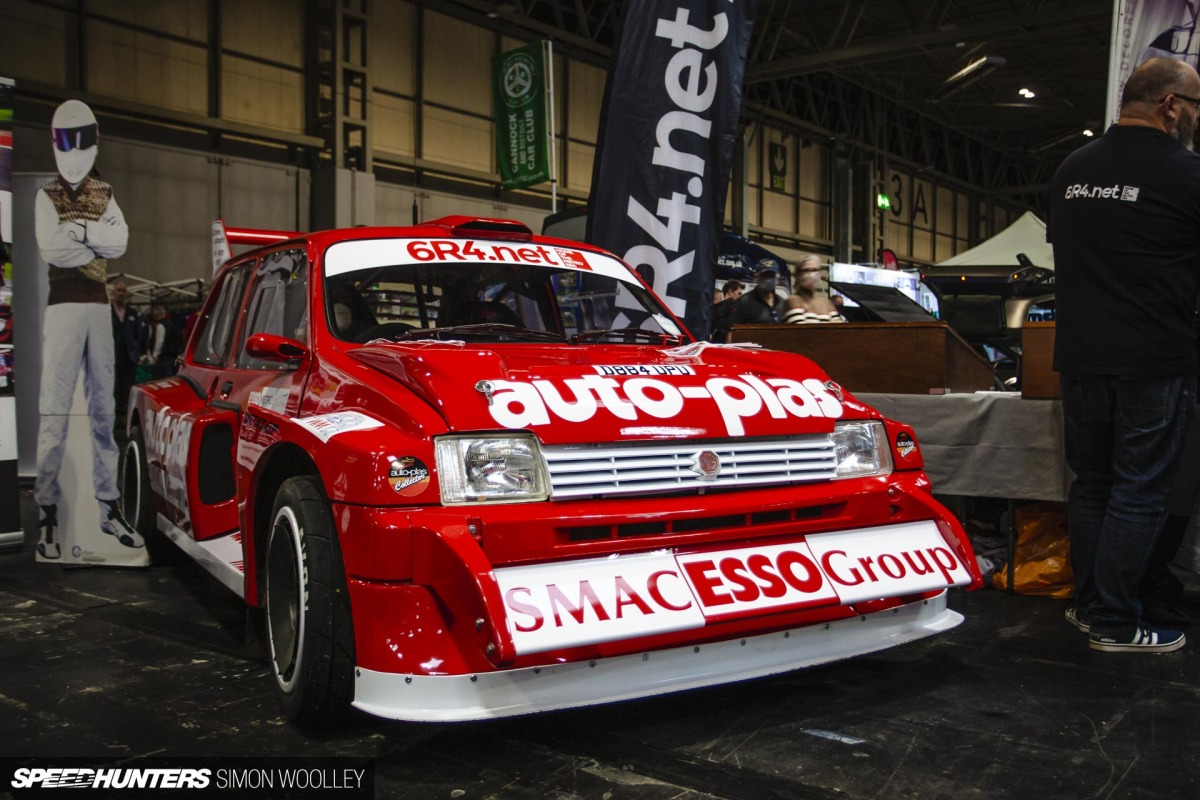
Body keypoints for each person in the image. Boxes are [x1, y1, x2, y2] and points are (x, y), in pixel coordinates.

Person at [1046, 57, 1200, 653]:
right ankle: (1114, 619)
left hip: (1079, 353)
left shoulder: (1071, 169)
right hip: (1152, 356)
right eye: (1195, 108)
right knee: (1140, 489)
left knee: (1093, 484)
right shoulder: (1188, 174)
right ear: (1171, 105)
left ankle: (1091, 609)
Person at [33, 99, 142, 559]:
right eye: (67, 139)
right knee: (54, 412)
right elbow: (52, 250)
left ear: (93, 140)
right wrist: (91, 234)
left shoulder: (104, 191)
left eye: (81, 138)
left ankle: (106, 504)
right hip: (63, 309)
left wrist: (75, 231)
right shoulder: (45, 195)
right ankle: (48, 513)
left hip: (94, 309)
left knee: (102, 411)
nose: (73, 149)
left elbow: (119, 242)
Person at [109, 279, 140, 430]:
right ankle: (113, 417)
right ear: (113, 293)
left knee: (128, 387)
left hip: (129, 356)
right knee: (113, 386)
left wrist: (137, 349)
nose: (121, 294)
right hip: (112, 355)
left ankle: (125, 416)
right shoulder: (107, 312)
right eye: (118, 290)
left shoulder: (132, 313)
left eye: (123, 291)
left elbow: (140, 334)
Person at [783, 256, 844, 324]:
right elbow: (801, 330)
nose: (811, 274)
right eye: (806, 270)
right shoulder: (793, 300)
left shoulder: (826, 303)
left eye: (814, 270)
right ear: (797, 275)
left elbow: (839, 328)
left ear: (819, 273)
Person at [141, 303, 180, 379]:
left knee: (160, 377)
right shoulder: (170, 324)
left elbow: (159, 341)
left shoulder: (160, 326)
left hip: (163, 357)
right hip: (170, 356)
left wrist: (155, 355)